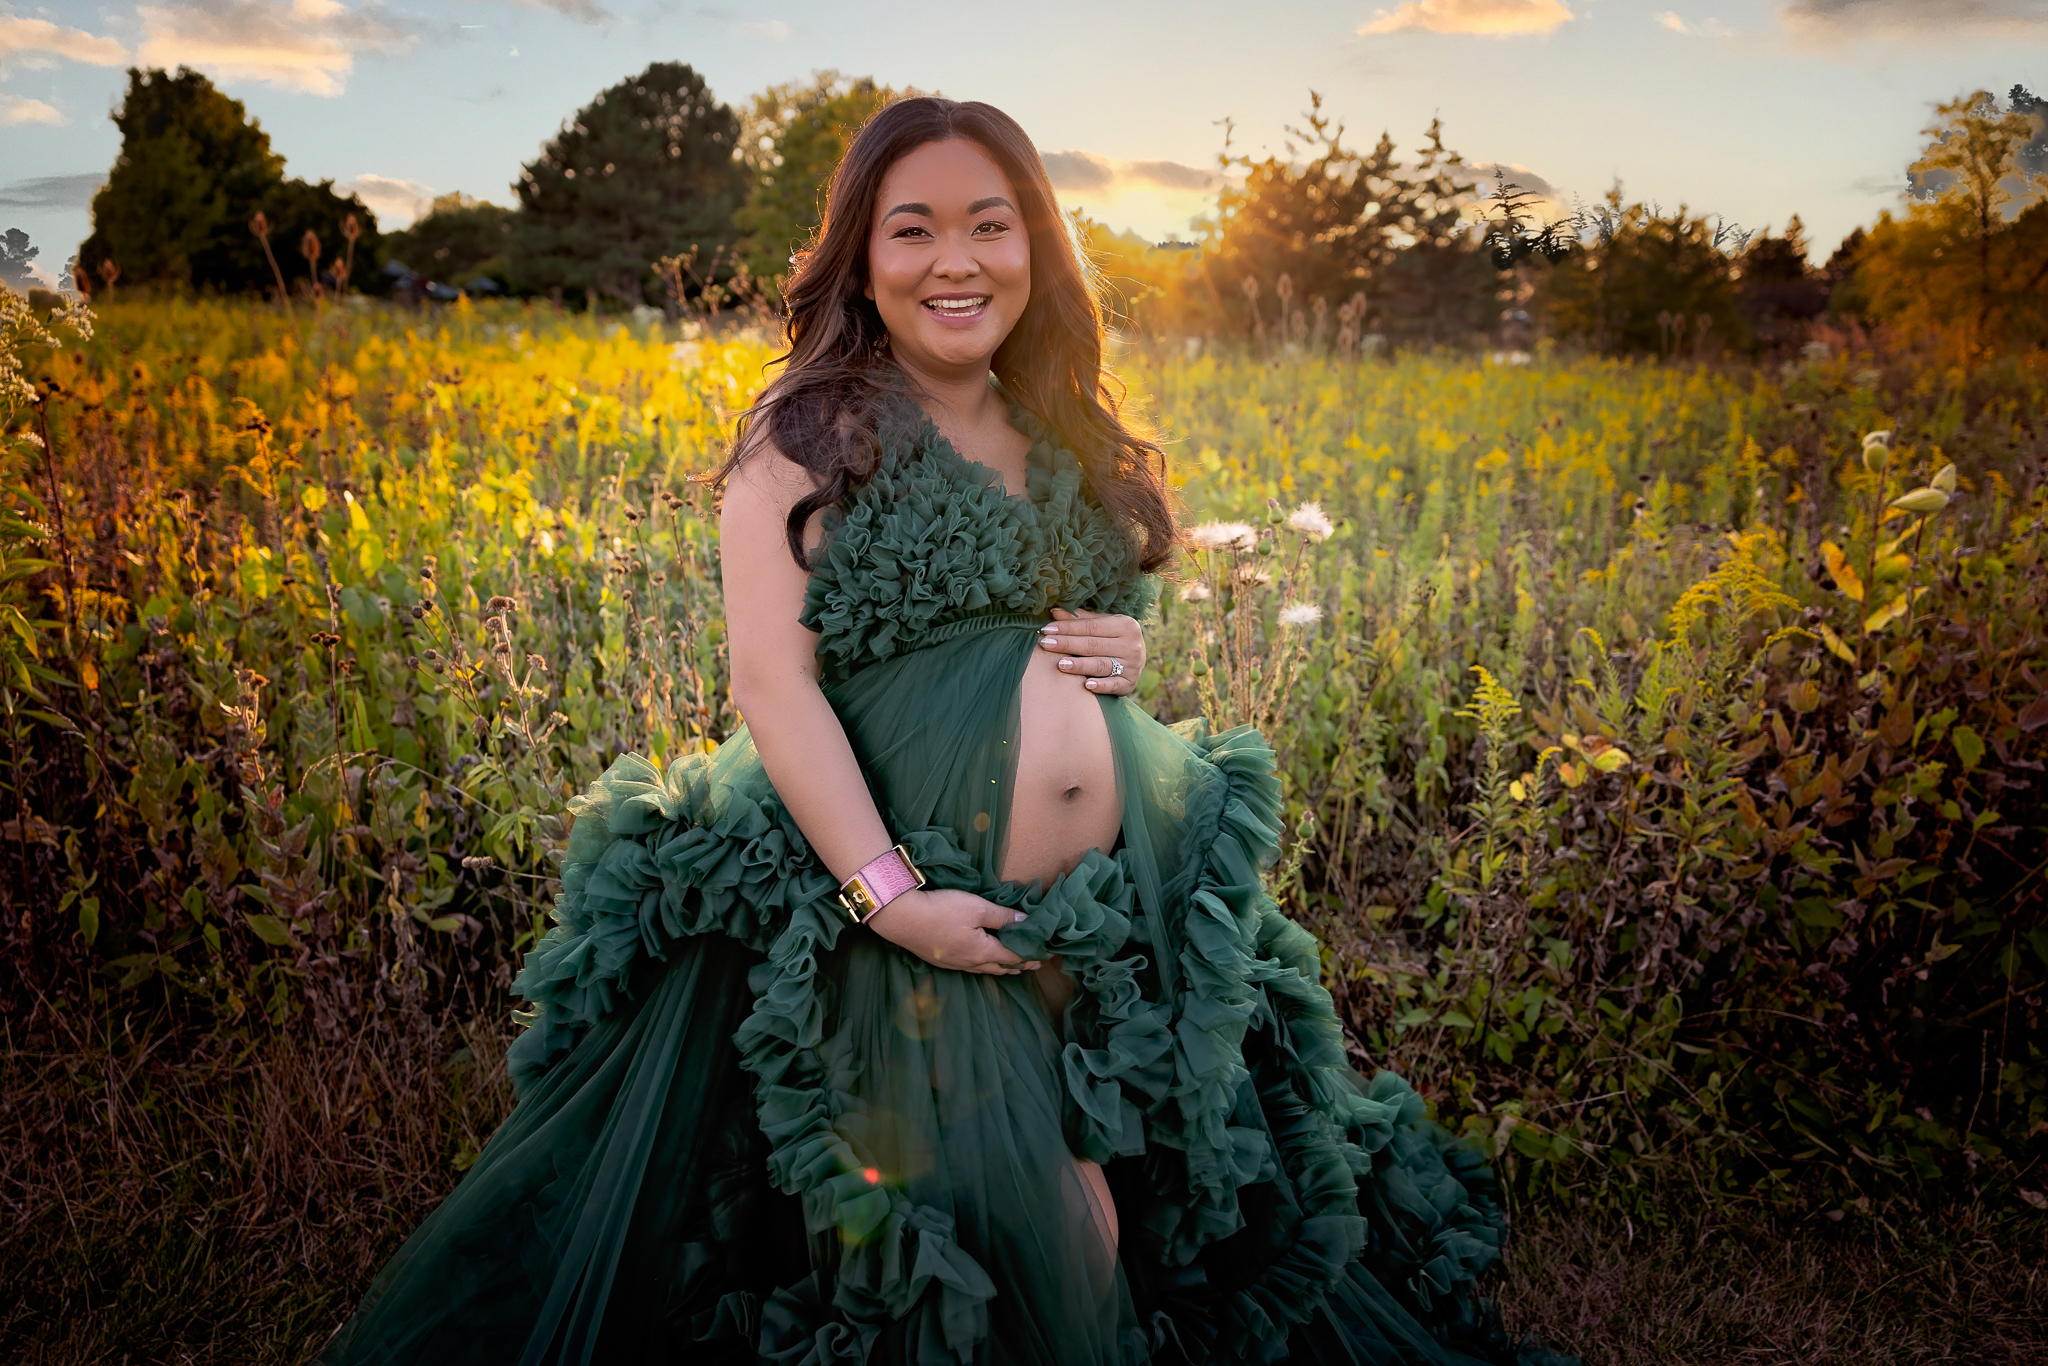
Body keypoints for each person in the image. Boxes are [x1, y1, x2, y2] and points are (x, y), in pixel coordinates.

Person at [321, 96, 1567, 1366]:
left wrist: (1122, 654)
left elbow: (1059, 635)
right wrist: (886, 895)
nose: (954, 261)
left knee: (1144, 1200)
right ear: (861, 254)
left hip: (1098, 905)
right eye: (911, 228)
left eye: (991, 223)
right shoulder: (806, 436)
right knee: (1045, 1241)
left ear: (1039, 243)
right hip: (909, 891)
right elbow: (775, 689)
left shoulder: (1060, 425)